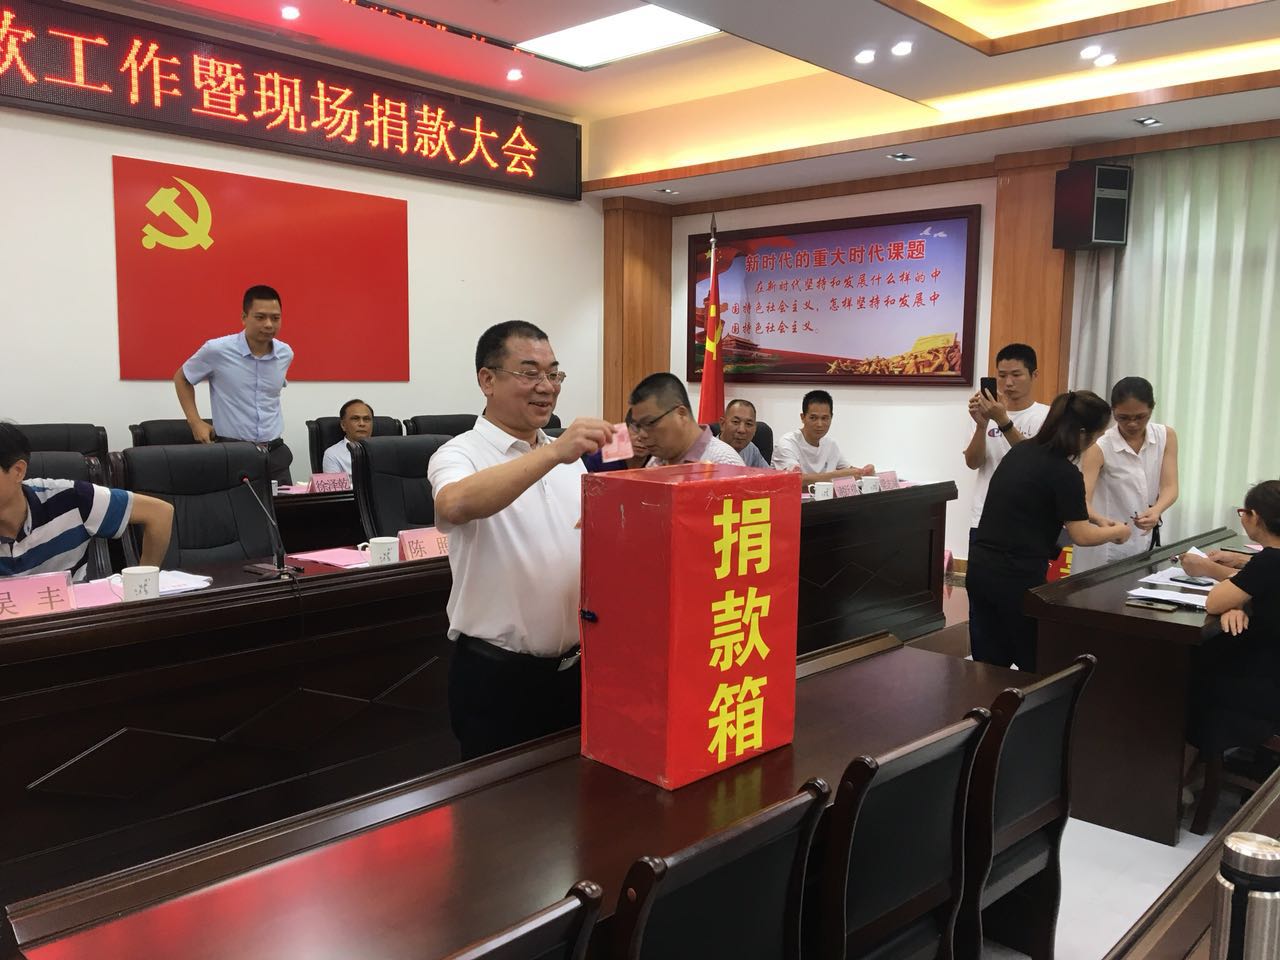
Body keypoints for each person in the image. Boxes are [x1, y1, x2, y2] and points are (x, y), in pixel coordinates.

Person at [427, 321, 613, 760]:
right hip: (498, 679)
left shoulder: (570, 461)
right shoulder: (459, 453)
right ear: (487, 380)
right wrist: (553, 452)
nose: (546, 387)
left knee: (574, 793)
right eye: (529, 373)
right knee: (499, 801)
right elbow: (454, 504)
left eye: (554, 374)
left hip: (576, 670)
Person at [966, 391, 1131, 670]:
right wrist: (1118, 532)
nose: (1097, 441)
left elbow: (1060, 502)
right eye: (1098, 435)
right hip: (1017, 577)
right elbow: (1081, 535)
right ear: (1082, 434)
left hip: (981, 569)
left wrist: (1099, 519)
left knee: (990, 664)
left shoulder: (1021, 452)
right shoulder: (1065, 473)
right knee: (1035, 662)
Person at [0, 423, 173, 581]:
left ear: (18, 471)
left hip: (70, 604)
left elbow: (159, 513)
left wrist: (144, 582)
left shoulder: (70, 498)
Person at [1186, 481, 1280, 760]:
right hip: (1272, 667)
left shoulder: (1269, 562)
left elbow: (1215, 602)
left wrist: (1209, 570)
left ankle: (1190, 761)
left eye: (1243, 513)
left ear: (1255, 517)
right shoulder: (1268, 561)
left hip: (1264, 683)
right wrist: (1240, 579)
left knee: (1186, 667)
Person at [174, 284, 296, 484]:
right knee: (235, 505)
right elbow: (182, 378)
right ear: (244, 317)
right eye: (260, 317)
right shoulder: (217, 350)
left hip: (275, 453)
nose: (268, 324)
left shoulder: (285, 354)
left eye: (275, 318)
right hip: (233, 452)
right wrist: (195, 422)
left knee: (285, 505)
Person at [1074, 377, 1179, 572]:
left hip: (1144, 541)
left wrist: (1157, 510)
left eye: (1140, 417)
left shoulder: (1166, 436)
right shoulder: (1099, 445)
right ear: (1113, 411)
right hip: (1105, 544)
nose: (1132, 424)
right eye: (1123, 417)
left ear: (1152, 408)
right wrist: (1100, 521)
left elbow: (1170, 486)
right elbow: (1082, 501)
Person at [963, 343, 1050, 557]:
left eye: (1016, 375)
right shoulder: (983, 416)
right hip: (984, 516)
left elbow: (1034, 463)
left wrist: (1002, 420)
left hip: (1028, 518)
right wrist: (981, 425)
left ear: (1034, 375)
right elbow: (973, 463)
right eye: (1002, 376)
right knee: (980, 576)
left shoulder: (1047, 416)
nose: (1008, 383)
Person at [627, 373, 744, 466]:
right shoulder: (656, 462)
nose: (642, 435)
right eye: (638, 426)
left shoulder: (724, 464)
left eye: (649, 423)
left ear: (681, 414)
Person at [771, 389, 872, 484]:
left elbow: (851, 471)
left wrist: (865, 472)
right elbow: (794, 479)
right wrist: (837, 476)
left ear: (831, 418)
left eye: (824, 418)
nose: (819, 424)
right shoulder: (787, 443)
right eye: (813, 418)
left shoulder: (830, 445)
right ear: (803, 417)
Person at [321, 399, 375, 475]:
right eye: (355, 419)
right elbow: (334, 483)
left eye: (366, 419)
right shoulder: (333, 454)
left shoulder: (385, 451)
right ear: (343, 425)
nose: (362, 424)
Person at [719, 399, 769, 468]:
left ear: (755, 429)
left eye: (748, 424)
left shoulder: (751, 449)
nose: (742, 430)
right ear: (722, 424)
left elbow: (767, 473)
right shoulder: (710, 453)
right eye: (736, 422)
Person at [583, 423, 652, 472]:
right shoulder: (599, 459)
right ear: (625, 430)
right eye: (636, 429)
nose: (641, 438)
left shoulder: (657, 460)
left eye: (650, 431)